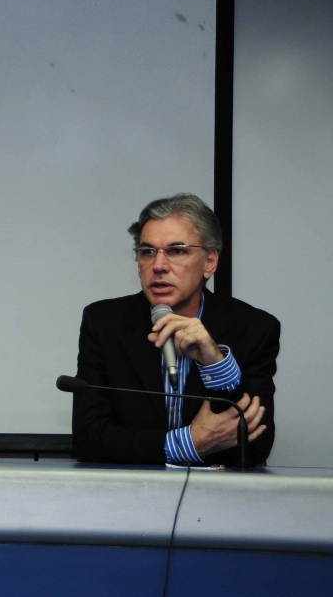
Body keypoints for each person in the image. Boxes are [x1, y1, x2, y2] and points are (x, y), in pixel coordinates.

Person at [72, 194, 279, 466]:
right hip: (132, 488)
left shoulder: (254, 327)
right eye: (147, 252)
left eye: (177, 251)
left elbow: (255, 446)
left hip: (217, 491)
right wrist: (191, 443)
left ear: (209, 262)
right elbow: (88, 439)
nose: (158, 266)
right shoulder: (104, 322)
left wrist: (215, 362)